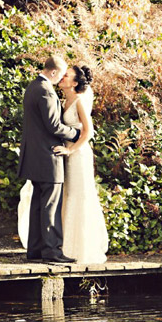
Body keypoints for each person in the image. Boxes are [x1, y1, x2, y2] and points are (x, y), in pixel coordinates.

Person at [17, 55, 80, 263]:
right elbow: (53, 125)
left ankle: (35, 251)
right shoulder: (45, 90)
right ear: (53, 72)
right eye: (61, 75)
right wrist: (76, 134)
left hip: (34, 155)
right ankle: (52, 251)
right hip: (47, 155)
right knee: (50, 205)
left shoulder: (32, 86)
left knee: (37, 204)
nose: (62, 79)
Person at [53, 65, 108, 264]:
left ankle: (82, 248)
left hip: (79, 155)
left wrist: (70, 150)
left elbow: (88, 132)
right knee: (68, 196)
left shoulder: (79, 101)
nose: (62, 77)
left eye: (66, 75)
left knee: (78, 196)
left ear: (74, 83)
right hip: (67, 155)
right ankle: (67, 246)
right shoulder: (63, 101)